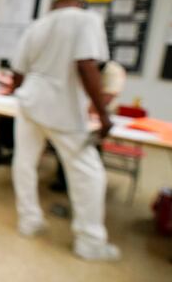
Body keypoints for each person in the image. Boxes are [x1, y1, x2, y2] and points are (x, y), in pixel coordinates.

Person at [10, 0, 120, 261]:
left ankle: (29, 220)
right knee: (89, 173)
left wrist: (24, 96)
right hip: (62, 107)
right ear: (81, 3)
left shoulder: (37, 26)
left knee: (24, 163)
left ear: (53, 3)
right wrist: (104, 115)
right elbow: (86, 64)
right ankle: (90, 241)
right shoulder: (87, 20)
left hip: (30, 102)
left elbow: (18, 73)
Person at [50, 60, 127, 192]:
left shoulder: (113, 71)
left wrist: (88, 111)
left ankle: (87, 185)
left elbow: (106, 98)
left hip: (100, 114)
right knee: (66, 146)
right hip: (78, 113)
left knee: (90, 149)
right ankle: (64, 181)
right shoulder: (78, 66)